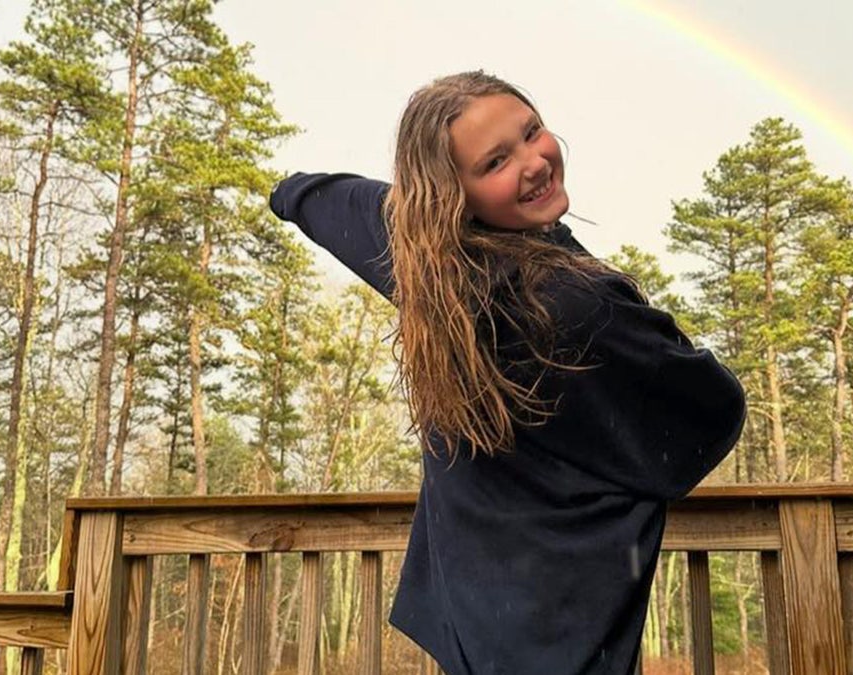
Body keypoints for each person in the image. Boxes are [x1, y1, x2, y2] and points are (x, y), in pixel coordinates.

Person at [269, 71, 746, 675]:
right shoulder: (574, 306)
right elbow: (709, 417)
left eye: (531, 132)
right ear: (453, 197)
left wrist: (285, 192)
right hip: (563, 632)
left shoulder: (428, 266)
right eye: (495, 162)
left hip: (471, 617)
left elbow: (329, 201)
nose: (534, 162)